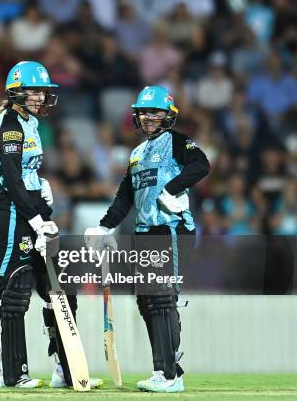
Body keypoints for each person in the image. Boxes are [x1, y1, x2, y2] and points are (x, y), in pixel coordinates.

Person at [85, 86, 210, 393]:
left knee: (161, 299)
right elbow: (125, 197)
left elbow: (201, 165)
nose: (149, 118)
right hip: (144, 235)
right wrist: (104, 227)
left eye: (155, 112)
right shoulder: (137, 154)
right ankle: (165, 371)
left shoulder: (178, 142)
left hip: (172, 231)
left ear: (168, 116)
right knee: (148, 301)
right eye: (144, 113)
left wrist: (171, 190)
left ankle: (169, 375)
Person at [0, 61, 102, 389]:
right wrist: (36, 219)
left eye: (42, 91)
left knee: (60, 288)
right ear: (18, 93)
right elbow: (9, 178)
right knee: (14, 287)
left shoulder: (31, 123)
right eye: (36, 91)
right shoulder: (10, 124)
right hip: (11, 211)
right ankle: (8, 372)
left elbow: (26, 171)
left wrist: (41, 187)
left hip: (31, 209)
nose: (41, 97)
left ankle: (66, 369)